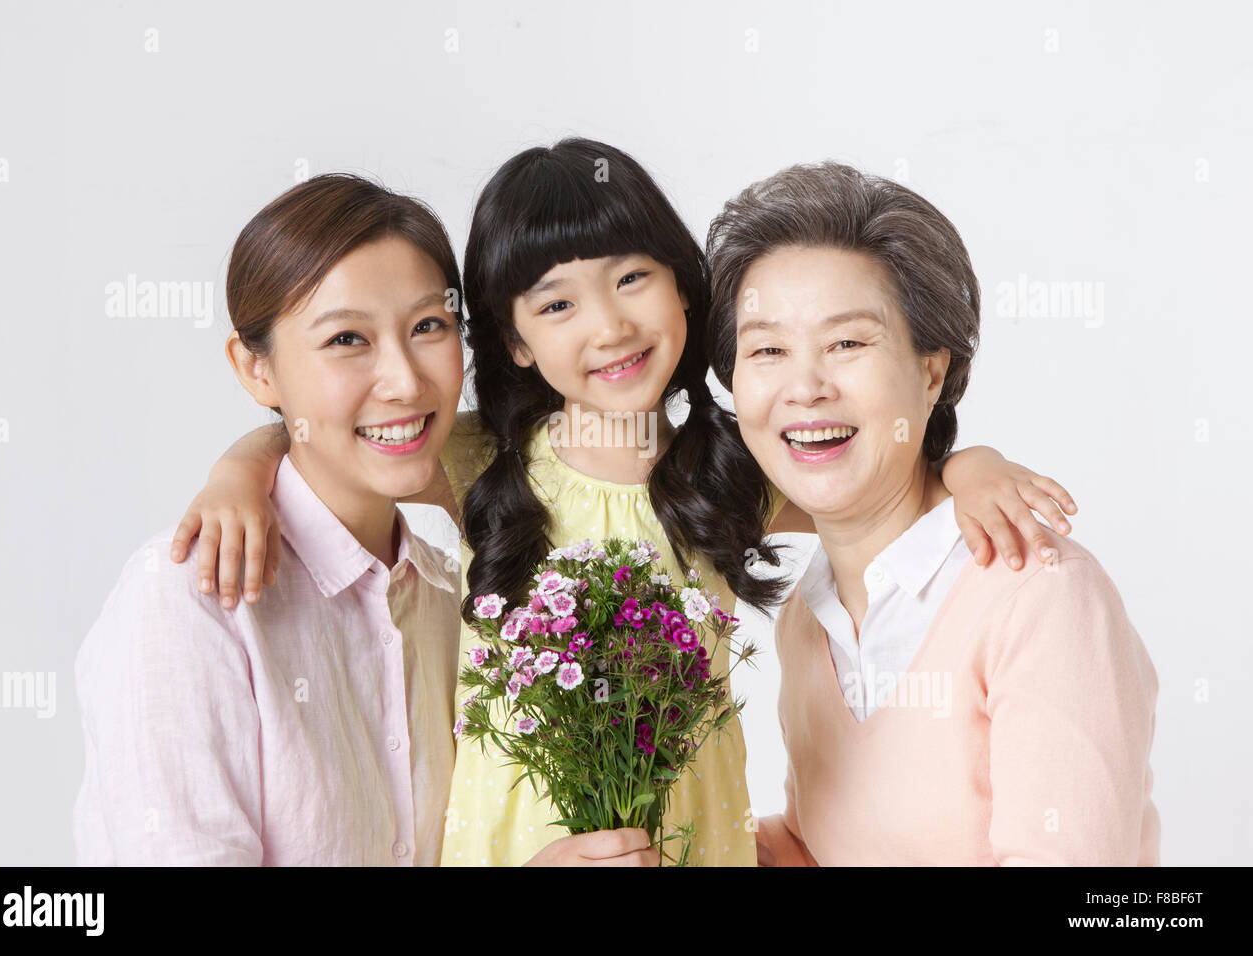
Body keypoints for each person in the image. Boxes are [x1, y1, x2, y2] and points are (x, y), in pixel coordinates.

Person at [173, 140, 1079, 866]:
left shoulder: (733, 467)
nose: (608, 325)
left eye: (632, 278)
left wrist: (974, 464)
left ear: (685, 287)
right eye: (556, 303)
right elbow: (342, 432)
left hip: (686, 840)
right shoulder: (487, 458)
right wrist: (237, 470)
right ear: (516, 345)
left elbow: (882, 480)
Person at [706, 162, 1161, 865]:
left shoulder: (1038, 593)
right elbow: (813, 847)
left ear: (931, 371)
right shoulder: (809, 617)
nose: (804, 387)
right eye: (767, 349)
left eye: (848, 343)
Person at [74, 173, 467, 864]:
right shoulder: (189, 597)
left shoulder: (455, 600)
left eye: (429, 326)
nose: (406, 381)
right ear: (257, 370)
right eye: (347, 339)